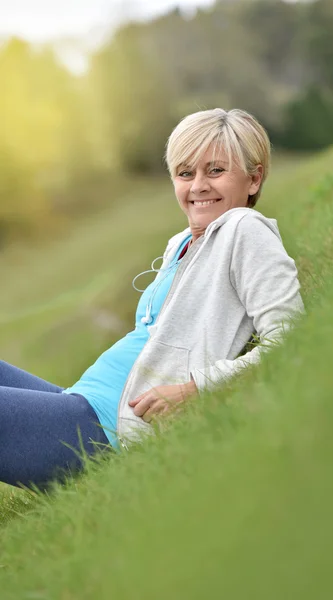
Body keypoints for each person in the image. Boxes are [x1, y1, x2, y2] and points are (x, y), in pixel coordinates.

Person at [0, 108, 304, 490]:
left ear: (254, 178)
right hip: (80, 404)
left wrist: (193, 390)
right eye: (185, 173)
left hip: (102, 430)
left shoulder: (245, 231)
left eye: (215, 171)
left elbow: (291, 337)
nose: (198, 186)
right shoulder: (182, 242)